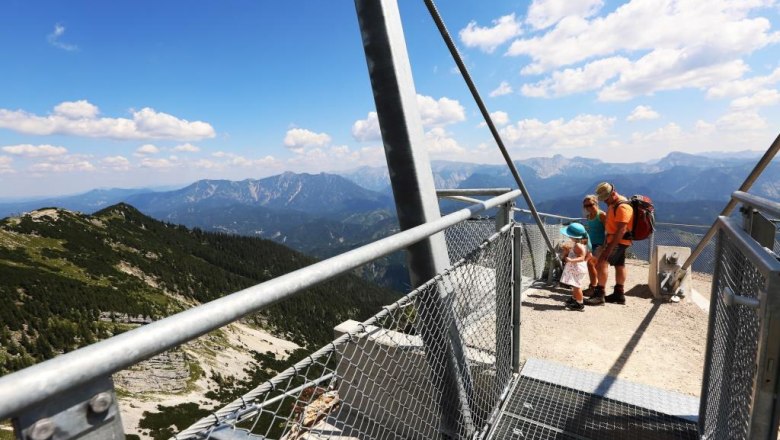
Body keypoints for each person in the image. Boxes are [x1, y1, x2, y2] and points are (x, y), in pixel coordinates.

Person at [585, 182, 633, 306]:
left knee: (602, 263)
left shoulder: (622, 206)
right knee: (620, 265)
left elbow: (621, 229)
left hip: (617, 240)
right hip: (618, 240)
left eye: (605, 198)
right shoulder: (614, 204)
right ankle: (619, 294)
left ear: (613, 193)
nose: (604, 201)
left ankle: (599, 295)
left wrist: (608, 249)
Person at [559, 222, 590, 311]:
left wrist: (571, 260)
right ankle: (575, 299)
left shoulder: (578, 245)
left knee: (577, 286)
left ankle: (580, 304)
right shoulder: (580, 244)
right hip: (577, 269)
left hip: (577, 269)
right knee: (575, 285)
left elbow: (582, 257)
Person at [582, 194, 606, 296]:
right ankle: (594, 287)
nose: (588, 207)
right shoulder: (588, 216)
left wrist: (604, 246)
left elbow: (608, 231)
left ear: (596, 203)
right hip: (591, 244)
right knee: (592, 265)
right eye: (586, 206)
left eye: (590, 204)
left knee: (592, 264)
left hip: (599, 244)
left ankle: (594, 288)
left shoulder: (601, 215)